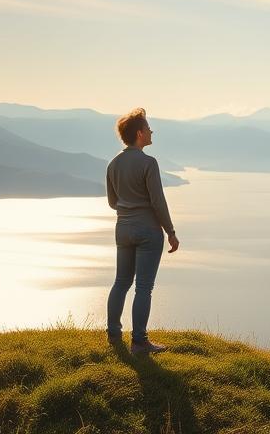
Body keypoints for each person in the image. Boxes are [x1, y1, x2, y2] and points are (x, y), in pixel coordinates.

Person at [105, 108, 180, 355]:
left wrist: (128, 211)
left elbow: (112, 201)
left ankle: (114, 336)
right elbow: (158, 201)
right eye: (148, 128)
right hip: (148, 231)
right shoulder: (149, 163)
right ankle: (139, 342)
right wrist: (170, 230)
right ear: (139, 134)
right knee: (143, 288)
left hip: (122, 228)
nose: (151, 132)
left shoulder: (113, 163)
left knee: (121, 282)